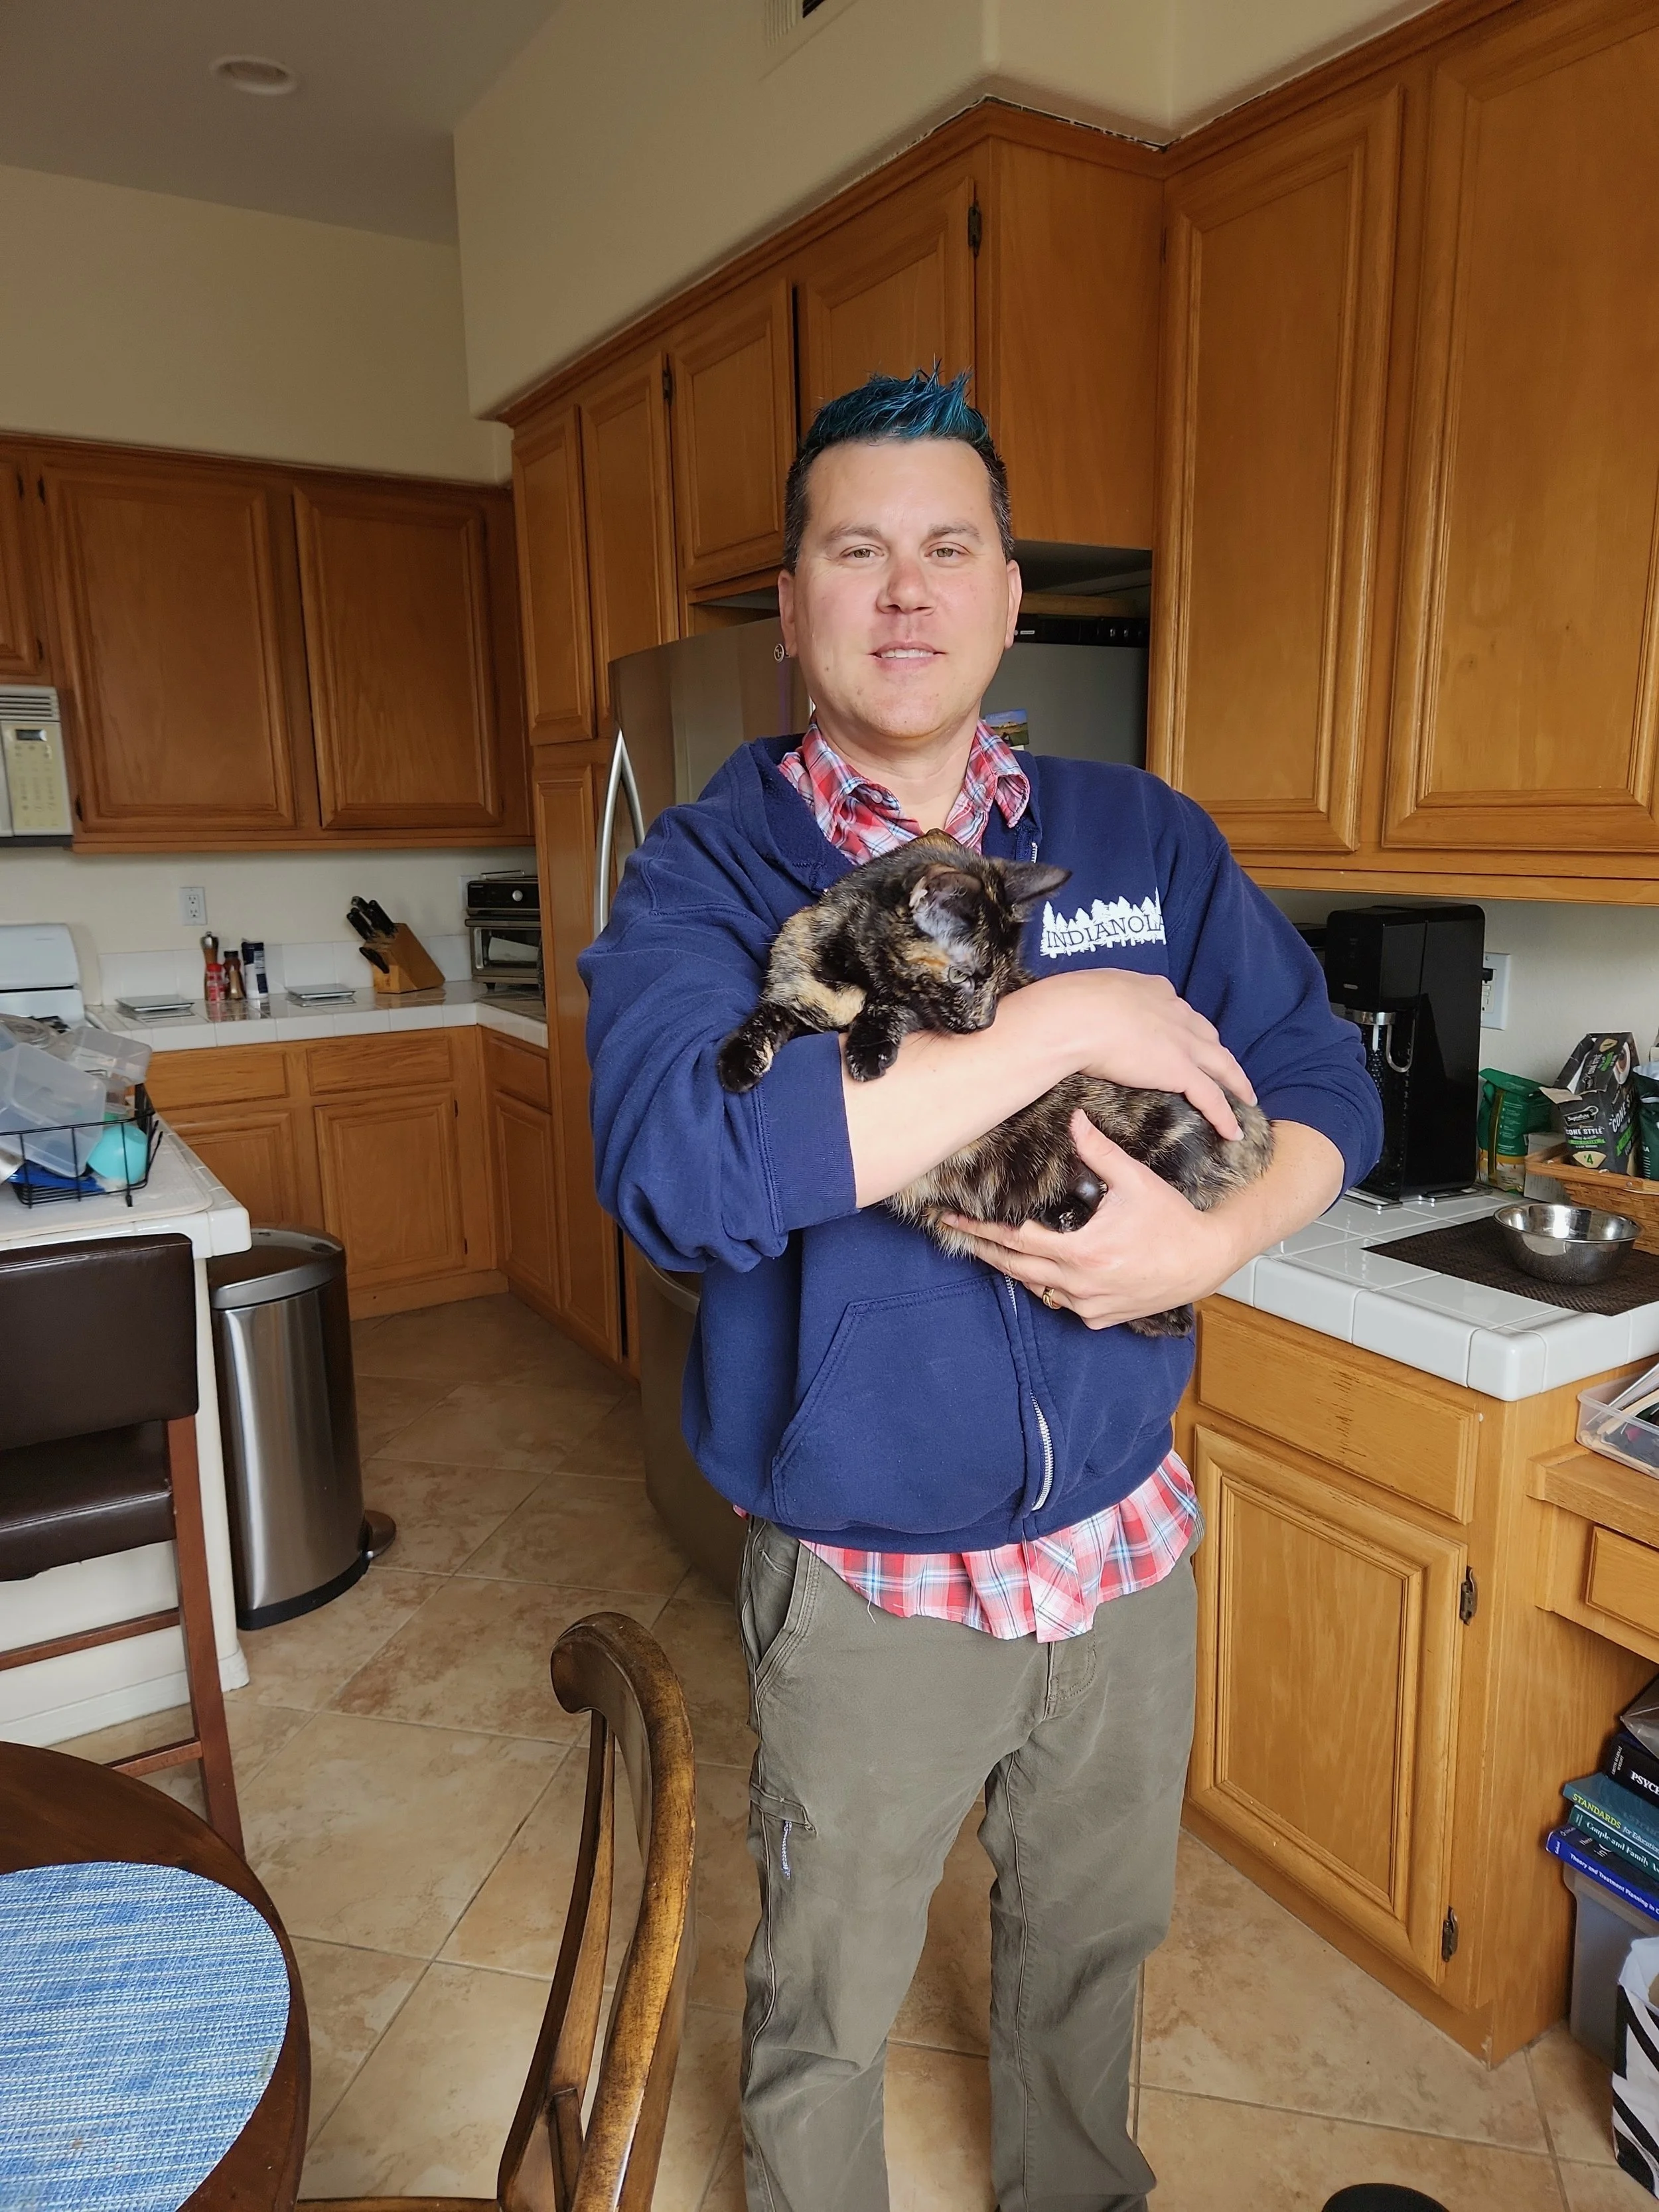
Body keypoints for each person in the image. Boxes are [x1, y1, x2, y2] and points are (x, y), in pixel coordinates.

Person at [581, 370, 1382, 2212]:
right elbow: (679, 1175)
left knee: (1093, 1948)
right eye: (854, 550)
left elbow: (1322, 1080)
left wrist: (1220, 1237)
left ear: (1010, 594)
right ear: (790, 607)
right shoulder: (711, 869)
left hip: (1125, 1536)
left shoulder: (1142, 838)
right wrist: (1058, 1022)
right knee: (830, 1992)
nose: (905, 591)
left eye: (949, 548)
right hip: (867, 1574)